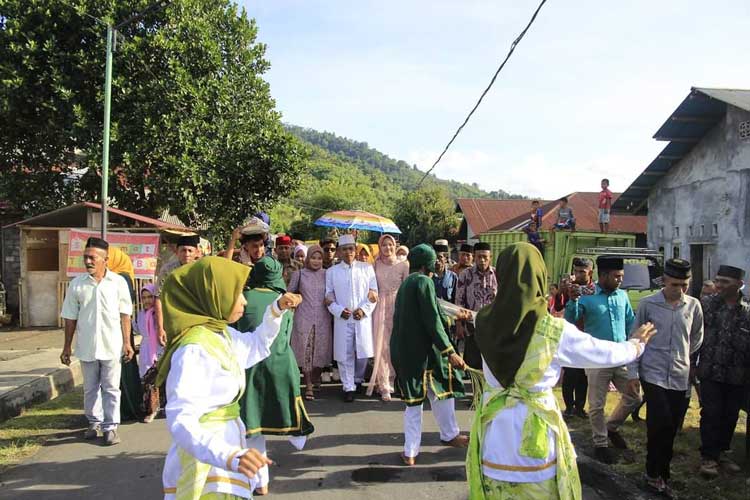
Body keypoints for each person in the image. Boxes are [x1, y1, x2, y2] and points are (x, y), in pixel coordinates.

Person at [466, 242, 657, 499]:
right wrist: (636, 345)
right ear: (540, 278)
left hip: (494, 431)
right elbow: (601, 353)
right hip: (534, 434)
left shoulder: (482, 320)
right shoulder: (552, 331)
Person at [157, 256, 300, 499]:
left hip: (226, 454)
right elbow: (182, 419)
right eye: (237, 293)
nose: (244, 300)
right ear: (214, 296)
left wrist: (275, 310)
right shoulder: (194, 350)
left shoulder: (221, 334)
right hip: (206, 462)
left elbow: (256, 346)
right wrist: (227, 455)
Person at [235, 257, 314, 496]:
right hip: (281, 363)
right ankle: (297, 437)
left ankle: (260, 483)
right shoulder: (285, 300)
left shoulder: (242, 298)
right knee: (290, 414)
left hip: (249, 364)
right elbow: (286, 333)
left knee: (253, 425)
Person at [626, 259, 703, 496]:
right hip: (654, 372)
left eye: (684, 285)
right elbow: (635, 338)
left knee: (671, 429)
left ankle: (662, 473)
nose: (680, 290)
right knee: (660, 424)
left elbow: (697, 337)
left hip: (679, 374)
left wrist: (685, 359)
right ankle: (652, 473)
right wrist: (633, 372)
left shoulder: (693, 306)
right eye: (675, 284)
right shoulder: (649, 304)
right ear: (664, 281)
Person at [390, 244, 469, 466]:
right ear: (427, 264)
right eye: (435, 260)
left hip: (408, 350)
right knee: (419, 400)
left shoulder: (408, 283)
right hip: (422, 351)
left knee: (439, 392)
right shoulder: (423, 281)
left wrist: (452, 316)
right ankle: (411, 450)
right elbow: (432, 319)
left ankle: (447, 436)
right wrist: (450, 351)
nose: (438, 264)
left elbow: (433, 310)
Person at [565, 255, 642, 464]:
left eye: (622, 276)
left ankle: (611, 427)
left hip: (620, 356)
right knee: (597, 405)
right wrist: (572, 300)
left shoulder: (623, 296)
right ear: (604, 275)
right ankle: (600, 444)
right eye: (616, 276)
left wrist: (633, 349)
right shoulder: (587, 295)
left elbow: (630, 324)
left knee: (635, 396)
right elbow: (570, 320)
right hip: (596, 359)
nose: (620, 280)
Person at [60, 237, 134, 446]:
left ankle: (110, 428)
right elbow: (69, 316)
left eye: (92, 257)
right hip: (87, 346)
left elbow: (125, 314)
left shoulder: (118, 283)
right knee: (90, 388)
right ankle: (94, 423)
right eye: (85, 257)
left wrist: (127, 343)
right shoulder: (77, 284)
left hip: (111, 345)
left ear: (105, 260)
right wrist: (66, 346)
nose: (88, 261)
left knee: (111, 388)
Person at [696, 265, 749, 478]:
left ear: (738, 284)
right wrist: (691, 364)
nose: (719, 285)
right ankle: (708, 457)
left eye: (725, 282)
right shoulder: (706, 306)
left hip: (738, 374)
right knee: (711, 414)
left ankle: (722, 453)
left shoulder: (747, 310)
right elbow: (695, 337)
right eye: (717, 280)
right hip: (710, 371)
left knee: (730, 415)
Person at [326, 234, 378, 402]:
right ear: (339, 252)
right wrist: (338, 310)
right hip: (343, 318)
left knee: (362, 352)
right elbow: (328, 295)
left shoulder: (367, 268)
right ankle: (348, 386)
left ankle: (358, 379)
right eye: (344, 249)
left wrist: (364, 310)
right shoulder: (332, 272)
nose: (348, 252)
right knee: (344, 352)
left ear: (355, 250)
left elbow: (374, 293)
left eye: (350, 248)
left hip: (362, 317)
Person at [367, 234, 409, 401]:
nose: (387, 248)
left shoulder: (404, 264)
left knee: (397, 345)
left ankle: (397, 381)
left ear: (395, 245)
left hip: (398, 306)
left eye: (390, 245)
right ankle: (384, 383)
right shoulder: (375, 264)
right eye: (384, 245)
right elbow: (370, 286)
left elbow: (406, 288)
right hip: (380, 307)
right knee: (382, 346)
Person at [289, 245, 333, 400]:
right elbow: (290, 293)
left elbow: (333, 292)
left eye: (319, 258)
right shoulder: (299, 274)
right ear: (308, 258)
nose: (316, 261)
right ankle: (308, 384)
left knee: (321, 351)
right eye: (313, 257)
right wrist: (296, 300)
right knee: (306, 351)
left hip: (323, 318)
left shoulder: (328, 274)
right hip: (304, 317)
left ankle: (315, 377)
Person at [107, 247, 144, 423]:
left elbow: (124, 310)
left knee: (121, 369)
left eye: (108, 258)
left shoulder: (121, 278)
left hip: (119, 329)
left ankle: (125, 408)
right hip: (109, 330)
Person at [561, 258, 595, 419]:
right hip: (569, 337)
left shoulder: (595, 290)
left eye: (582, 271)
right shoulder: (569, 288)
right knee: (570, 374)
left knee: (583, 376)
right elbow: (558, 306)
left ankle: (580, 407)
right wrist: (563, 292)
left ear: (590, 273)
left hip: (587, 336)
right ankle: (568, 407)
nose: (578, 275)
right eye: (576, 271)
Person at [455, 242, 498, 370]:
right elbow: (459, 301)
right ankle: (475, 390)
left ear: (490, 257)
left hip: (492, 328)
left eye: (485, 257)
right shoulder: (465, 275)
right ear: (474, 257)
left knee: (492, 365)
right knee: (473, 366)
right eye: (479, 256)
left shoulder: (498, 274)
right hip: (471, 327)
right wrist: (458, 325)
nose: (482, 260)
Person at [154, 234, 201, 347]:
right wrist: (160, 328)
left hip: (196, 321)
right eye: (183, 250)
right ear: (177, 252)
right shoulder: (167, 270)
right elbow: (158, 297)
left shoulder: (201, 269)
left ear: (197, 252)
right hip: (173, 321)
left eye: (190, 250)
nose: (187, 254)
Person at [135, 284, 161, 423]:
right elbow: (136, 329)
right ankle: (151, 410)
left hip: (158, 348)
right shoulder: (140, 315)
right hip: (146, 350)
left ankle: (161, 408)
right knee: (147, 380)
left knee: (158, 379)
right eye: (144, 297)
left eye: (150, 297)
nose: (147, 301)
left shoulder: (159, 314)